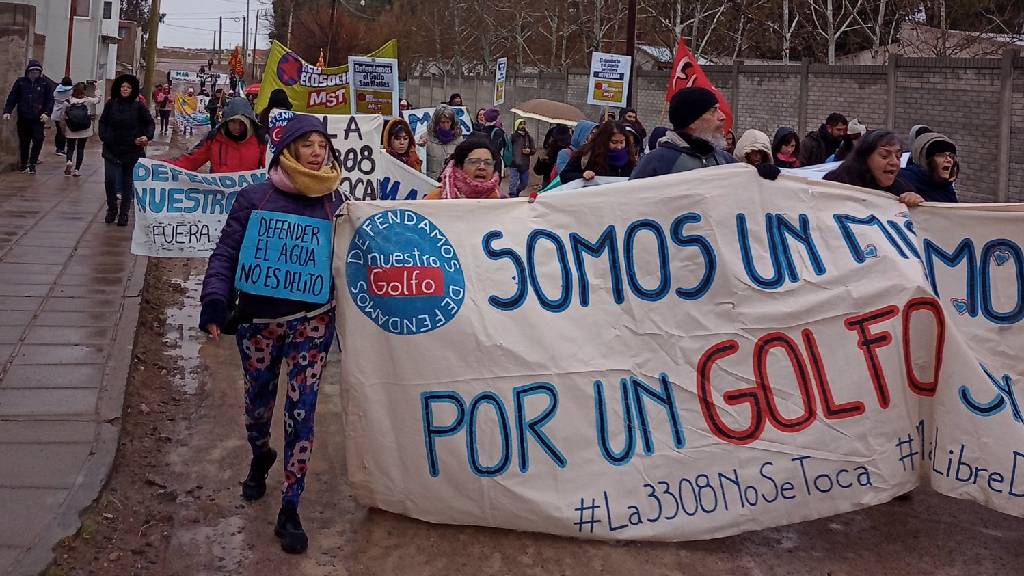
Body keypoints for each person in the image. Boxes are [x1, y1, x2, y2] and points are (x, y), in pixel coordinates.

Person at [200, 114, 343, 555]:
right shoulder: (254, 198)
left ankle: (291, 507)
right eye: (308, 144)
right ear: (288, 150)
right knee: (258, 406)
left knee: (303, 411)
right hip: (260, 324)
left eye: (323, 144)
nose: (318, 152)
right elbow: (226, 252)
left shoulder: (336, 203)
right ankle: (260, 454)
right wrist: (215, 301)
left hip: (312, 322)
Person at [631, 87, 749, 179]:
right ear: (692, 121)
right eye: (713, 111)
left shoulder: (724, 159)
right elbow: (631, 201)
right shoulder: (657, 162)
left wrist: (760, 175)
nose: (722, 117)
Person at [98, 74, 154, 226]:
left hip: (131, 151)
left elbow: (149, 123)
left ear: (133, 90)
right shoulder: (111, 104)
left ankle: (124, 213)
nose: (125, 90)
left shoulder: (138, 107)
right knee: (110, 180)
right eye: (123, 87)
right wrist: (104, 136)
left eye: (128, 87)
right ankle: (112, 209)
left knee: (127, 183)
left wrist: (146, 137)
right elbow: (103, 121)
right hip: (111, 149)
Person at [823, 130, 923, 206]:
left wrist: (914, 201)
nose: (894, 162)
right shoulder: (834, 183)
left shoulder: (902, 189)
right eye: (884, 156)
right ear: (865, 157)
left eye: (898, 156)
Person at [169, 97, 267, 173]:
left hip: (248, 197)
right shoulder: (214, 139)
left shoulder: (260, 140)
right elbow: (190, 161)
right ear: (226, 121)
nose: (237, 127)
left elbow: (272, 171)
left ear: (248, 122)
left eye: (241, 123)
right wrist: (161, 167)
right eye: (233, 122)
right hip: (219, 196)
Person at [3, 60, 54, 174]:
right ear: (28, 71)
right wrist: (7, 111)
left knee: (38, 140)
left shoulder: (45, 84)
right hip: (24, 117)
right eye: (33, 70)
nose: (35, 72)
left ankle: (33, 162)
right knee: (24, 141)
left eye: (37, 70)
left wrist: (47, 113)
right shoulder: (21, 82)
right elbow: (13, 97)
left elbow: (50, 100)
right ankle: (24, 163)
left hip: (38, 118)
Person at [559, 121, 637, 183]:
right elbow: (564, 176)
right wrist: (582, 175)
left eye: (622, 142)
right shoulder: (587, 153)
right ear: (604, 140)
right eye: (614, 142)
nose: (619, 147)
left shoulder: (630, 157)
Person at [426, 139, 502, 199]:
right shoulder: (436, 199)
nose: (482, 167)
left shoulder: (502, 203)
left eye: (488, 163)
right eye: (474, 162)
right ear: (459, 166)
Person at [899, 132, 958, 203]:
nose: (949, 160)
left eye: (951, 156)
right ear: (924, 159)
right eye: (941, 155)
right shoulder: (903, 180)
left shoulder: (947, 190)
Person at [62, 82, 102, 177]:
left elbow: (63, 115)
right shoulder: (87, 100)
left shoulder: (68, 101)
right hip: (84, 129)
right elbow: (98, 100)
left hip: (71, 128)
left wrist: (63, 127)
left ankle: (69, 161)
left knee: (70, 147)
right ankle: (76, 170)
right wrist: (97, 89)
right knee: (81, 148)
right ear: (84, 90)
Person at [418, 104, 464, 180]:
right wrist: (420, 148)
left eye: (448, 122)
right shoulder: (426, 138)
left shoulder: (459, 140)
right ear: (436, 122)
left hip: (451, 184)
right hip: (431, 184)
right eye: (442, 122)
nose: (445, 125)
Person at [534, 124, 571, 188]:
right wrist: (540, 160)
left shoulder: (571, 151)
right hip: (549, 181)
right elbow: (538, 171)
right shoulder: (551, 150)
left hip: (562, 182)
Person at [507, 119, 535, 197]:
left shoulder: (529, 137)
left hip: (525, 164)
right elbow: (508, 149)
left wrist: (529, 151)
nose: (523, 126)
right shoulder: (513, 137)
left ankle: (517, 192)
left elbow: (533, 150)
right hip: (514, 163)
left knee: (524, 183)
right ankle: (512, 196)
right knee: (513, 182)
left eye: (524, 124)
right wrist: (509, 159)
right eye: (520, 124)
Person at [478, 108, 507, 174]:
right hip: (495, 161)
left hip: (483, 160)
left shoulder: (483, 130)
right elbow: (502, 146)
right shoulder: (499, 131)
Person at [52, 77, 73, 157]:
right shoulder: (70, 91)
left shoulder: (56, 90)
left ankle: (58, 147)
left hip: (56, 113)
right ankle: (61, 148)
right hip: (66, 114)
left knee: (59, 130)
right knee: (64, 131)